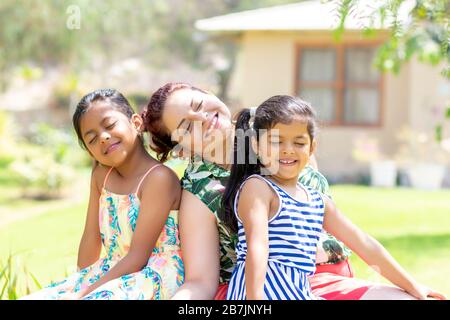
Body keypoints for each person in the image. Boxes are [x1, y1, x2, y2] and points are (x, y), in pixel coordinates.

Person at [142, 82, 440, 300]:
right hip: (259, 289)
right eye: (186, 126)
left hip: (328, 279)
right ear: (180, 148)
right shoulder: (201, 187)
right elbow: (202, 280)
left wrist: (414, 286)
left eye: (198, 105)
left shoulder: (282, 125)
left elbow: (350, 233)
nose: (202, 119)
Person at [222, 95, 444, 300]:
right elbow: (257, 247)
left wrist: (412, 285)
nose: (288, 150)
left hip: (298, 293)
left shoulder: (317, 201)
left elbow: (364, 244)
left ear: (312, 148)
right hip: (258, 294)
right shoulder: (258, 187)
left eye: (299, 143)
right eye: (277, 142)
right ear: (256, 145)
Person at [21, 89, 184, 300]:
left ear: (135, 122)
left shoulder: (158, 179)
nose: (103, 138)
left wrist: (85, 293)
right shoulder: (101, 176)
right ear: (90, 151)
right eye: (92, 139)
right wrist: (79, 281)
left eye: (109, 125)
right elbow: (91, 236)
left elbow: (138, 256)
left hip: (154, 274)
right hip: (114, 272)